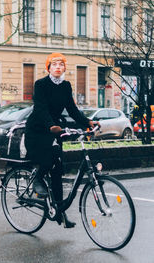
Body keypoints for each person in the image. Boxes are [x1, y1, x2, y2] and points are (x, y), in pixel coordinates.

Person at [25, 53, 98, 228]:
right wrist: (50, 125)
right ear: (48, 67)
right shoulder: (41, 84)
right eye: (54, 64)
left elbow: (72, 109)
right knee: (47, 159)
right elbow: (41, 108)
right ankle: (37, 180)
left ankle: (60, 212)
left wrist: (87, 122)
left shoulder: (66, 86)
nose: (58, 67)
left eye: (61, 64)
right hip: (37, 128)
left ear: (65, 67)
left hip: (54, 129)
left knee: (57, 169)